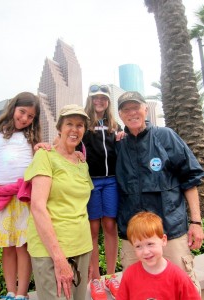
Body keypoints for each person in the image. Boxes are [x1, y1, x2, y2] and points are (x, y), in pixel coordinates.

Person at [116, 91, 204, 293]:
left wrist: (196, 222)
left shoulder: (166, 136)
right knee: (137, 290)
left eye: (135, 107)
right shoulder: (118, 145)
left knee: (184, 287)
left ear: (145, 109)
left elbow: (190, 179)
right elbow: (90, 156)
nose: (132, 113)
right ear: (120, 115)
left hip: (170, 231)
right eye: (126, 109)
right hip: (133, 237)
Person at [24, 104, 93, 300]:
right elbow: (38, 207)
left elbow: (81, 208)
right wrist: (59, 258)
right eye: (69, 124)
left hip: (82, 247)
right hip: (51, 251)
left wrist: (90, 257)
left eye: (80, 125)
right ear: (59, 129)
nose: (74, 129)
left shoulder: (82, 163)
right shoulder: (45, 156)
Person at [0, 92, 41, 300]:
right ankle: (10, 292)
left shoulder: (31, 138)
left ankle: (22, 294)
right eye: (22, 112)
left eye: (30, 116)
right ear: (13, 107)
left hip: (24, 198)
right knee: (7, 248)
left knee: (23, 247)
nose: (24, 118)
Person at [83, 83, 122, 300]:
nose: (99, 101)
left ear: (108, 101)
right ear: (90, 99)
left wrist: (122, 137)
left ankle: (111, 275)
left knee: (109, 226)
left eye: (104, 98)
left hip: (111, 181)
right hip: (91, 182)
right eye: (96, 97)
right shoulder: (83, 122)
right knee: (92, 228)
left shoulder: (114, 125)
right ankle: (95, 279)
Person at [116, 211, 201, 300]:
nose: (145, 252)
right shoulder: (130, 275)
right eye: (138, 246)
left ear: (163, 240)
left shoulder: (179, 277)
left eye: (150, 244)